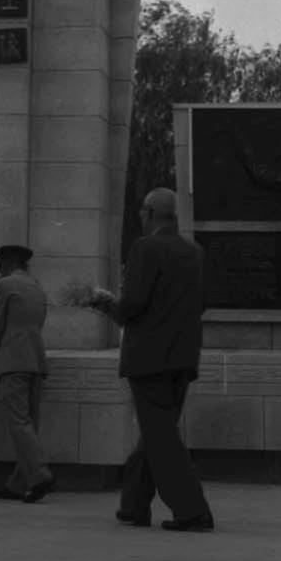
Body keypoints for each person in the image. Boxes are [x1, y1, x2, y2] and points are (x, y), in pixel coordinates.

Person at [92, 188, 214, 532]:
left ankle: (192, 510)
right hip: (183, 357)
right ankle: (133, 505)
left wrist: (104, 304)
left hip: (149, 359)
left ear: (148, 213)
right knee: (156, 433)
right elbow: (201, 303)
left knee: (160, 438)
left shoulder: (146, 248)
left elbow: (131, 307)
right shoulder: (195, 252)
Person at [0, 244, 55, 502]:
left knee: (19, 422)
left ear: (8, 263)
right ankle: (18, 483)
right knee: (30, 423)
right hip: (36, 359)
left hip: (14, 360)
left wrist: (0, 348)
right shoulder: (37, 287)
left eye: (0, 263)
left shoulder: (4, 285)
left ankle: (39, 474)